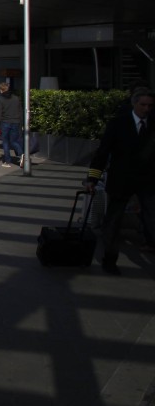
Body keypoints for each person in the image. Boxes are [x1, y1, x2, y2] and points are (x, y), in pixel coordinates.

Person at [85, 87, 155, 274]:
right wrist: (93, 177)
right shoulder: (118, 124)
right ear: (134, 104)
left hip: (147, 180)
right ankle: (109, 259)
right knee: (113, 220)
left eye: (150, 105)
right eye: (143, 105)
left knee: (152, 217)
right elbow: (103, 152)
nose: (146, 109)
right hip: (121, 179)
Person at [0, 82, 23, 168]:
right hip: (16, 122)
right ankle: (22, 155)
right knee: (14, 141)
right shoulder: (16, 98)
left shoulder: (0, 99)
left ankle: (7, 161)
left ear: (1, 90)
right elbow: (20, 112)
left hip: (5, 123)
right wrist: (21, 123)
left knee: (5, 142)